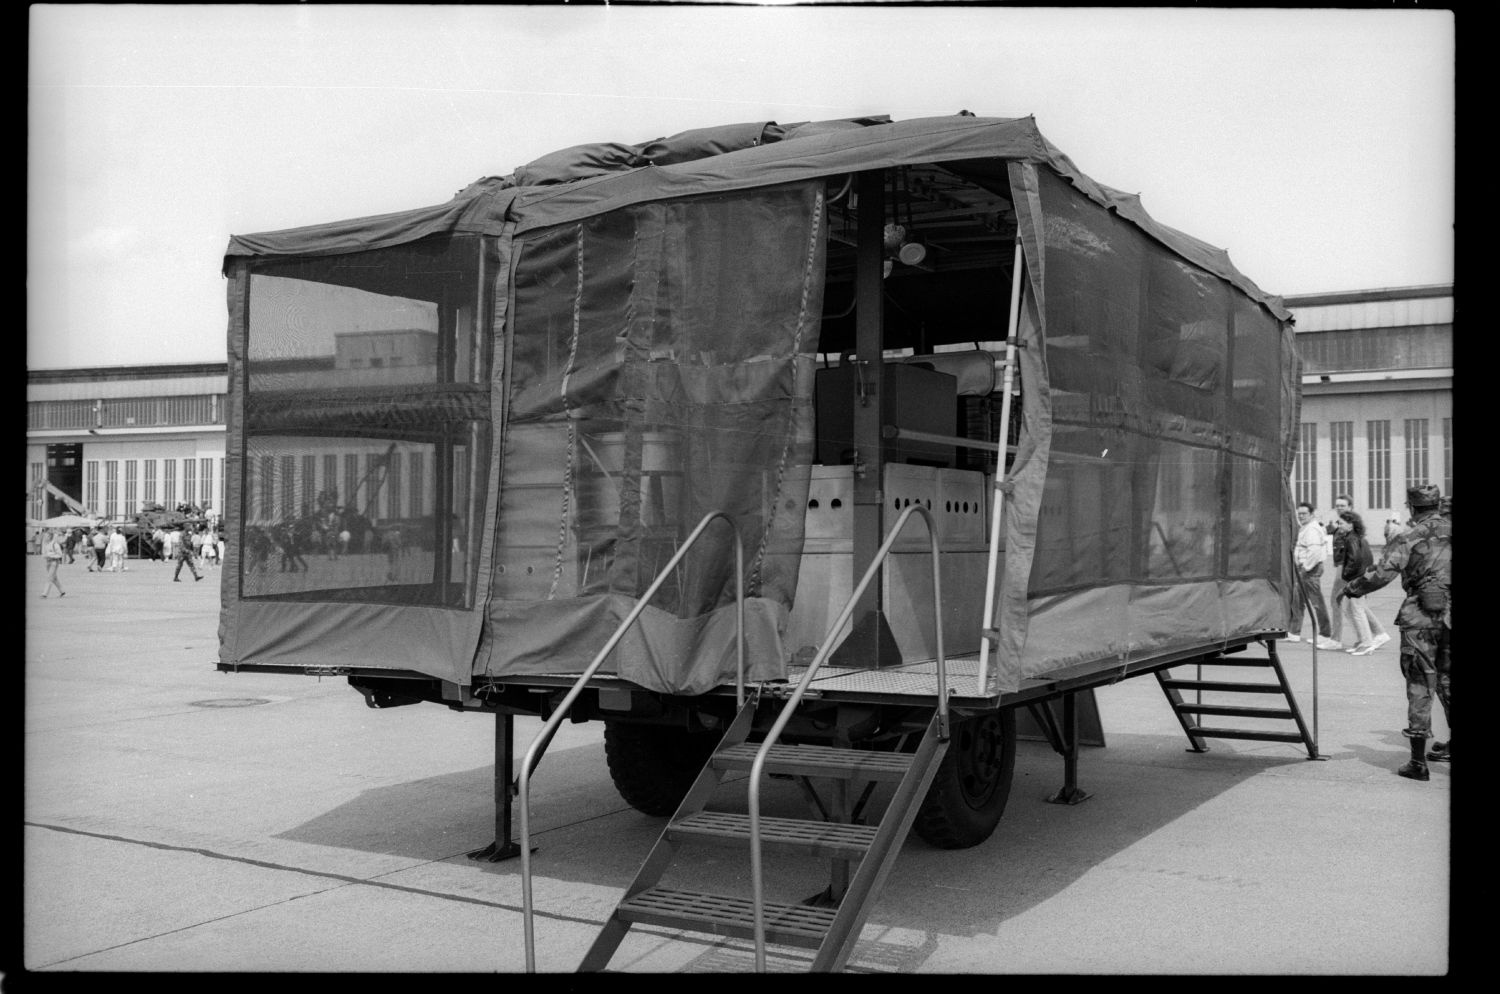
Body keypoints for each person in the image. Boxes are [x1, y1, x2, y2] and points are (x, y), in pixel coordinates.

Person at [1340, 484, 1451, 781]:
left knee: (1420, 683)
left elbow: (1382, 574)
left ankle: (1417, 763)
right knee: (1447, 679)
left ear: (1413, 508)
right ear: (1438, 505)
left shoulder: (1408, 536)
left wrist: (1352, 588)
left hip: (1421, 617)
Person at [1333, 510, 1388, 655]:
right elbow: (1368, 559)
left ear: (1351, 525)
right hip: (1361, 578)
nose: (1339, 526)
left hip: (1355, 580)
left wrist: (1348, 575)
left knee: (1356, 611)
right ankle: (1367, 638)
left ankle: (1366, 642)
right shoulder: (1358, 538)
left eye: (1341, 523)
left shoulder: (1351, 539)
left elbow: (1355, 560)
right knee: (1353, 609)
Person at [1288, 501, 1341, 650]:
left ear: (1312, 514)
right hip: (1304, 569)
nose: (1301, 516)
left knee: (1316, 602)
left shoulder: (1312, 530)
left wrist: (1305, 568)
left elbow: (1315, 552)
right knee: (1298, 601)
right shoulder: (1306, 528)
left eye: (1304, 514)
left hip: (1310, 570)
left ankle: (1325, 632)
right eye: (1299, 514)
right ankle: (1294, 631)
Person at [1325, 495, 1353, 644]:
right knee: (1356, 605)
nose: (1339, 507)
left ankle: (1335, 639)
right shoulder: (1342, 524)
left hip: (1345, 569)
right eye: (1337, 505)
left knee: (1335, 601)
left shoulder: (1348, 525)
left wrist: (1340, 571)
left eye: (1343, 505)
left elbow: (1348, 550)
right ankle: (1378, 633)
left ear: (1350, 507)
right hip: (1345, 567)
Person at [41, 529, 66, 598]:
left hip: (54, 562)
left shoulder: (55, 544)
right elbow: (44, 554)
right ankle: (62, 591)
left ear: (50, 536)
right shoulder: (46, 544)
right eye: (44, 536)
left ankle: (44, 594)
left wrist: (51, 555)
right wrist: (45, 556)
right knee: (54, 578)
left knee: (49, 578)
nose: (45, 537)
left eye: (46, 536)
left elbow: (60, 554)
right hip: (48, 562)